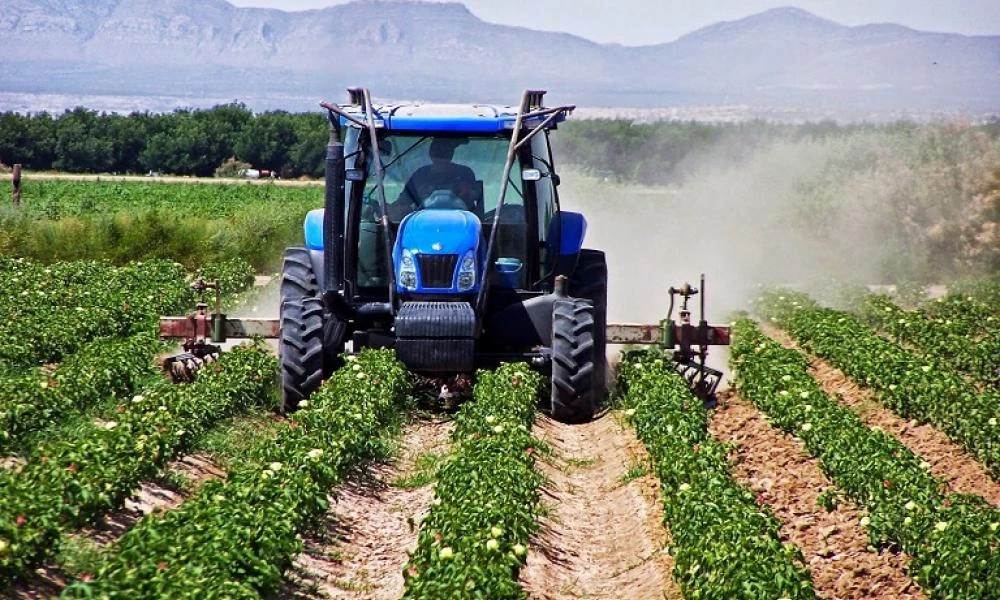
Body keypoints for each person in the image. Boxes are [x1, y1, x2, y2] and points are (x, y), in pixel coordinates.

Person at [387, 137, 476, 221]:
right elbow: (403, 202)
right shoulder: (420, 175)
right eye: (438, 150)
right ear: (431, 153)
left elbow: (474, 199)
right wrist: (388, 211)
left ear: (451, 153)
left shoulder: (465, 174)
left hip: (461, 222)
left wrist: (466, 193)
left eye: (445, 151)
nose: (441, 154)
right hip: (421, 224)